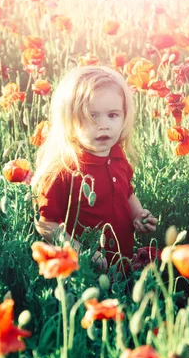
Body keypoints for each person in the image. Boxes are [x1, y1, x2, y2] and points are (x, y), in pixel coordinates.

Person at [32, 66, 158, 270]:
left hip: (122, 264)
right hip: (86, 271)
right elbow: (46, 224)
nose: (104, 125)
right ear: (69, 120)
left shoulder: (117, 155)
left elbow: (127, 194)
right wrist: (82, 254)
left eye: (113, 115)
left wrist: (139, 216)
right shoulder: (64, 169)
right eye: (92, 116)